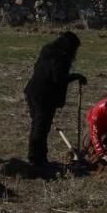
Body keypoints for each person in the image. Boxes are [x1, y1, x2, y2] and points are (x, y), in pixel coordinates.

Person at [24, 31, 87, 167]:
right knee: (41, 127)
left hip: (33, 91)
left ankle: (40, 157)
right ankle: (35, 160)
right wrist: (75, 76)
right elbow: (58, 79)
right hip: (44, 96)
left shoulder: (48, 51)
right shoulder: (62, 58)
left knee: (38, 126)